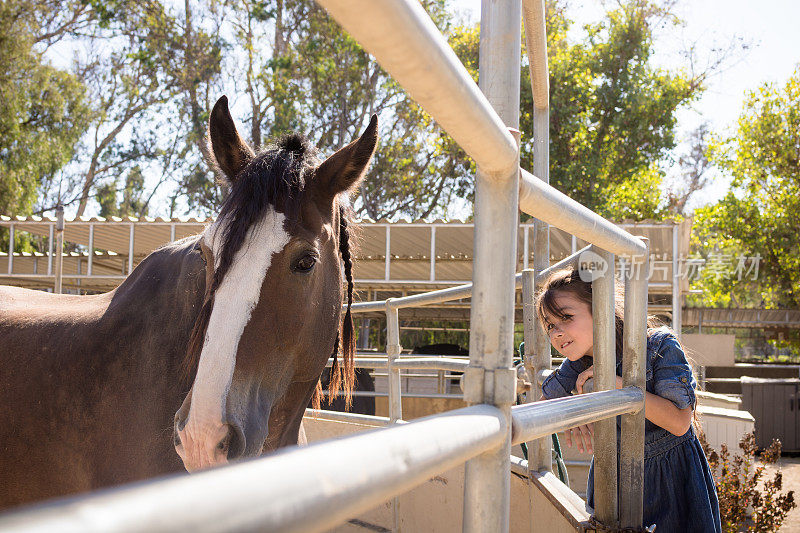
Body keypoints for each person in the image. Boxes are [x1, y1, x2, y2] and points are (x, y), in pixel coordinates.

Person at [538, 268, 721, 532]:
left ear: (600, 309)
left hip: (672, 482)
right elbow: (541, 409)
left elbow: (679, 422)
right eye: (550, 325)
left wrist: (615, 385)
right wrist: (575, 410)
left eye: (566, 317)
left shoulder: (659, 346)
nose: (555, 333)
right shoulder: (577, 363)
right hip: (611, 482)